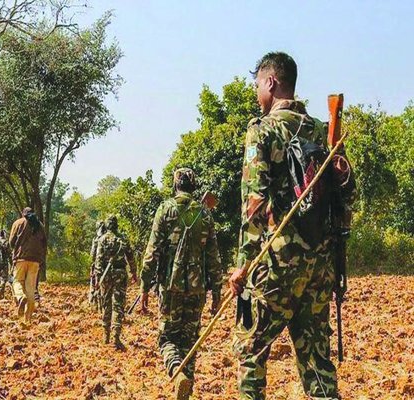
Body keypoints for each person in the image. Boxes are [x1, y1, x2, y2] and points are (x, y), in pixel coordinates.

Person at [229, 52, 344, 400]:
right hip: (319, 265)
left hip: (278, 263)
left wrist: (243, 265)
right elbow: (341, 198)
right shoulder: (322, 132)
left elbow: (253, 204)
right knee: (316, 362)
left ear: (270, 82)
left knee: (251, 349)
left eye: (257, 86)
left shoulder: (262, 130)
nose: (256, 94)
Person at [140, 168, 222, 400]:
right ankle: (186, 387)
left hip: (170, 288)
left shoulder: (165, 210)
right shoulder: (205, 214)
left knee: (167, 338)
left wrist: (144, 287)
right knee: (190, 340)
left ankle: (176, 370)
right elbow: (214, 258)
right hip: (197, 289)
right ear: (193, 186)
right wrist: (217, 291)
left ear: (175, 185)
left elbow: (152, 253)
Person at [94, 215, 137, 350]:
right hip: (120, 274)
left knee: (106, 303)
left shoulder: (102, 239)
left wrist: (98, 279)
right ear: (117, 225)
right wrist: (134, 273)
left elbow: (98, 261)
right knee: (118, 305)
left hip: (106, 275)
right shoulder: (123, 239)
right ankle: (116, 337)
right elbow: (130, 257)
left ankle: (106, 335)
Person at [9, 207, 47, 325]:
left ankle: (21, 297)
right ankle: (27, 320)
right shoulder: (39, 225)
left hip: (21, 258)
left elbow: (11, 242)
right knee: (30, 289)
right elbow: (44, 243)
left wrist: (16, 250)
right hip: (35, 261)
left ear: (23, 214)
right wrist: (41, 259)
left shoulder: (18, 223)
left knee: (17, 281)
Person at [89, 220, 106, 310]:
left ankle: (96, 306)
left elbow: (92, 256)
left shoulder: (96, 239)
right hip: (106, 267)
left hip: (97, 266)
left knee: (95, 286)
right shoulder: (108, 238)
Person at [0, 229, 11, 300]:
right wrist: (11, 263)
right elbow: (9, 254)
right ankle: (1, 289)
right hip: (4, 262)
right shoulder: (6, 242)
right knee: (4, 278)